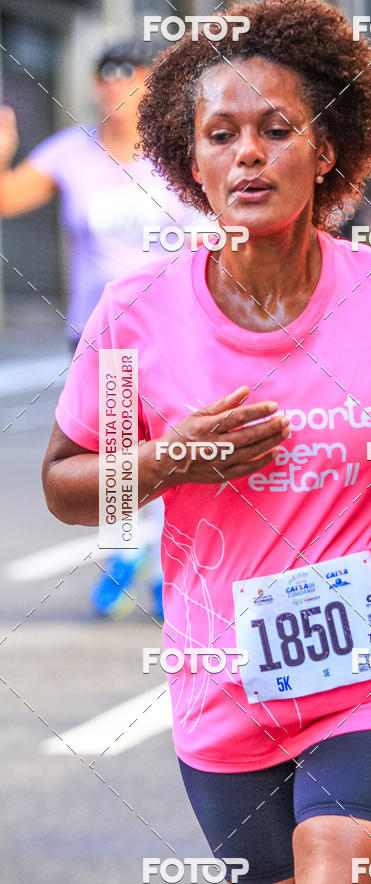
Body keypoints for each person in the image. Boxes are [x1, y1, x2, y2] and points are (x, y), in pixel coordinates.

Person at [42, 1, 371, 884]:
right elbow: (71, 487)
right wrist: (169, 460)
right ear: (191, 162)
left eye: (276, 130)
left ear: (327, 148)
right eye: (220, 135)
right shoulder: (133, 316)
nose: (248, 155)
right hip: (224, 695)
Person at [0, 40, 209, 619]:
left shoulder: (179, 152)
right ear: (96, 86)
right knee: (112, 451)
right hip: (98, 336)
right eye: (107, 75)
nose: (117, 86)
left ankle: (168, 569)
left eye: (130, 75)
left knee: (171, 446)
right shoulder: (71, 151)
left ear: (151, 86)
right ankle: (123, 552)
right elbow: (6, 198)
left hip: (174, 331)